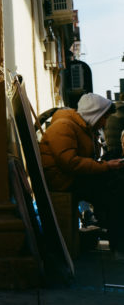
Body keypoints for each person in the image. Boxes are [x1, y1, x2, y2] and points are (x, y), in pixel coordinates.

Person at [40, 92, 124, 258]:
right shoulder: (64, 126)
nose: (105, 122)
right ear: (95, 114)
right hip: (63, 181)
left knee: (117, 185)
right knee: (116, 192)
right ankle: (118, 246)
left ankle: (116, 240)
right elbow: (70, 162)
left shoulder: (84, 128)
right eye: (104, 117)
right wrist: (106, 166)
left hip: (72, 178)